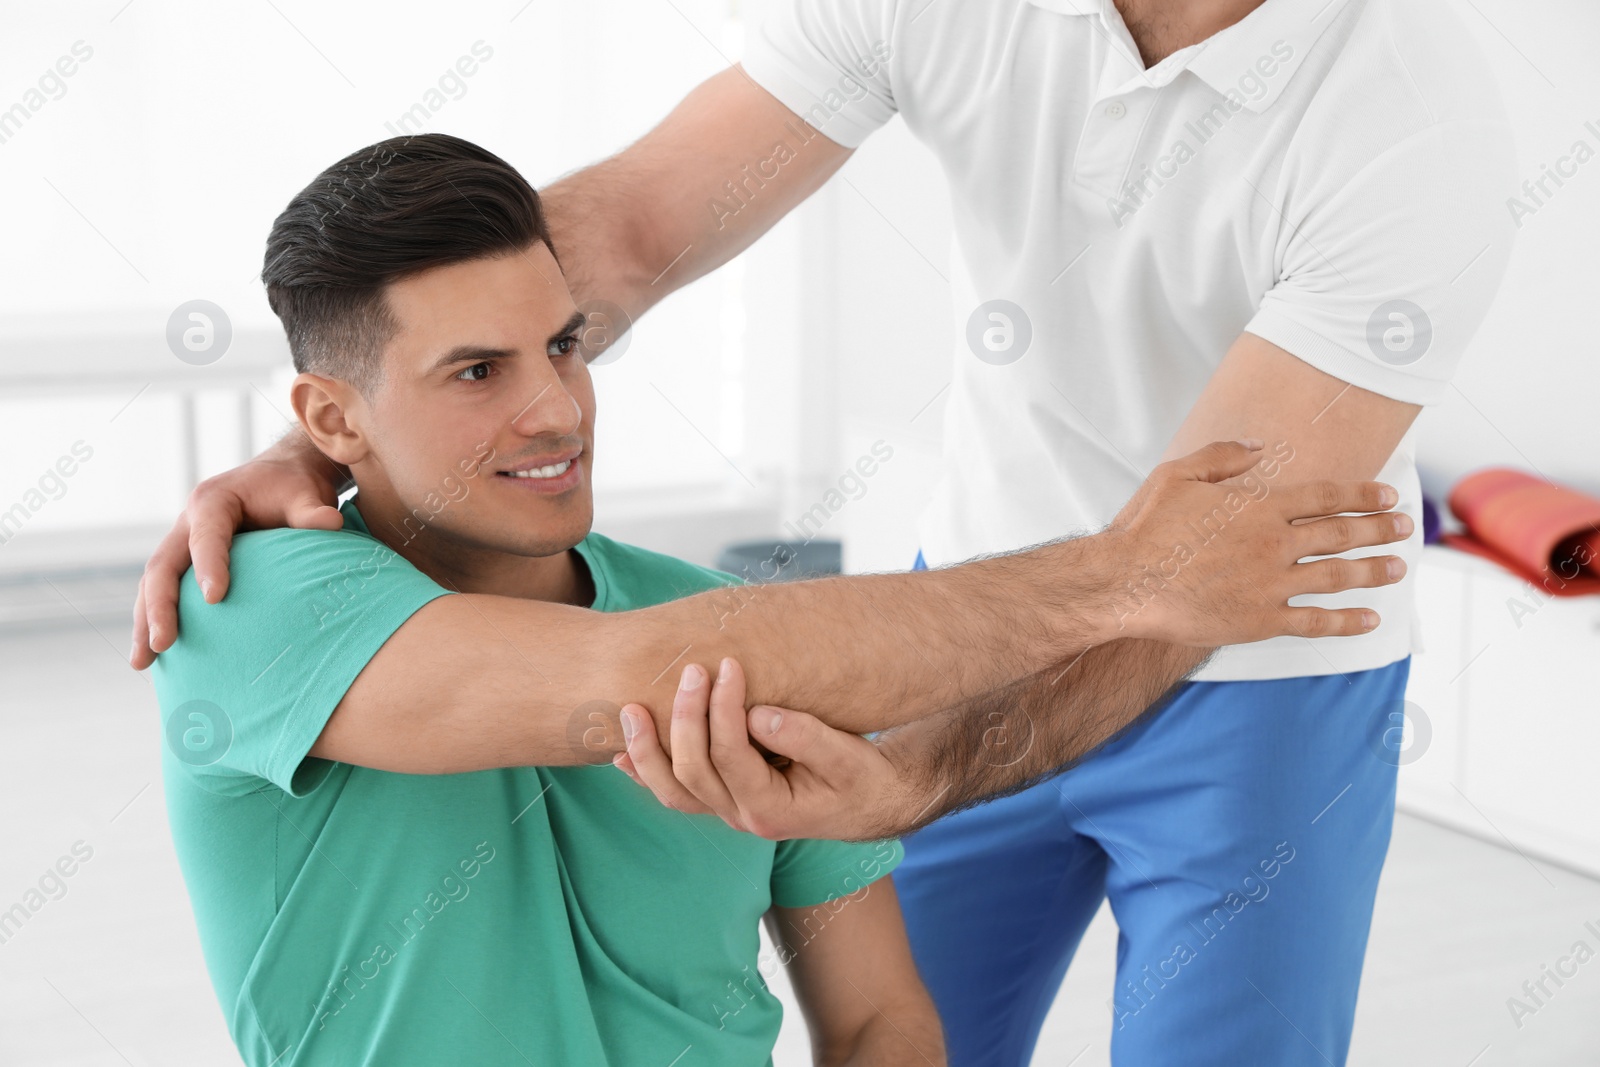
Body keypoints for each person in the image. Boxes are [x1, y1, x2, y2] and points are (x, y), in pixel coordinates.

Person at [130, 0, 1505, 1061]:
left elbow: (1207, 566)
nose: (552, 400)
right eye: (497, 372)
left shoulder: (1413, 121)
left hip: (1254, 667)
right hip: (960, 622)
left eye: (551, 363)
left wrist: (924, 773)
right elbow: (617, 236)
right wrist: (324, 440)